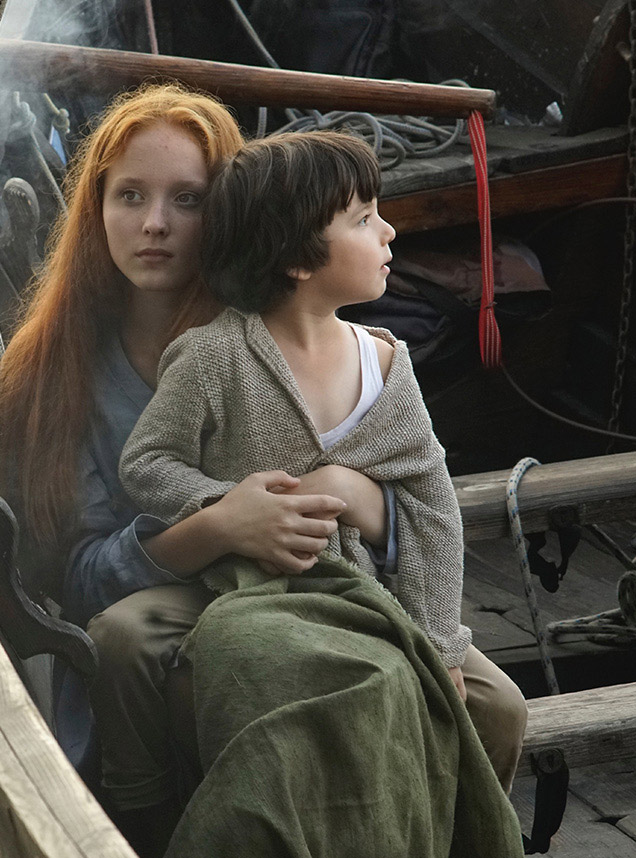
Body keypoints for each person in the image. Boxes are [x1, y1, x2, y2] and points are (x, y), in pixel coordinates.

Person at [117, 131, 526, 855]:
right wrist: (230, 505)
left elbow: (433, 511)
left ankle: (442, 831)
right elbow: (147, 462)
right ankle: (150, 822)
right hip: (241, 586)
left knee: (500, 710)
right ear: (300, 259)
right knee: (130, 641)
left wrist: (441, 644)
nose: (389, 232)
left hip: (364, 594)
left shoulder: (388, 365)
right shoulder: (214, 358)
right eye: (365, 219)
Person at [0, 84, 353, 857]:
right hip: (140, 641)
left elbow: (367, 490)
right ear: (97, 209)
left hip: (303, 595)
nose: (154, 224)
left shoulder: (274, 336)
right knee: (144, 654)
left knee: (492, 703)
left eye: (187, 199)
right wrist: (217, 527)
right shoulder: (55, 369)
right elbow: (75, 582)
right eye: (130, 195)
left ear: (226, 212)